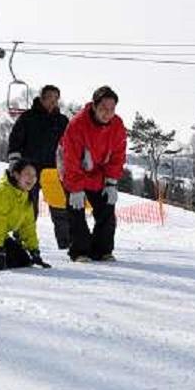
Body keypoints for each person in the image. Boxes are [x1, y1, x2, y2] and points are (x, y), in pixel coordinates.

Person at [61, 85, 127, 263]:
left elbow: (118, 156)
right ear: (94, 106)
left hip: (99, 174)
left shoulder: (118, 125)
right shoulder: (77, 125)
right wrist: (75, 187)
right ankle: (80, 251)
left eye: (112, 109)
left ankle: (103, 250)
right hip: (74, 172)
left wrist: (111, 182)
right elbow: (70, 158)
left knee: (107, 208)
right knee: (76, 210)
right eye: (103, 109)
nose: (108, 113)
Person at [7, 84, 71, 249]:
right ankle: (21, 242)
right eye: (50, 98)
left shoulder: (62, 121)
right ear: (42, 98)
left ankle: (67, 243)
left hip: (52, 170)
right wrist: (15, 161)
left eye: (56, 99)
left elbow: (71, 143)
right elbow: (15, 140)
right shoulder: (28, 118)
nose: (53, 102)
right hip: (30, 169)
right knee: (28, 208)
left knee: (59, 208)